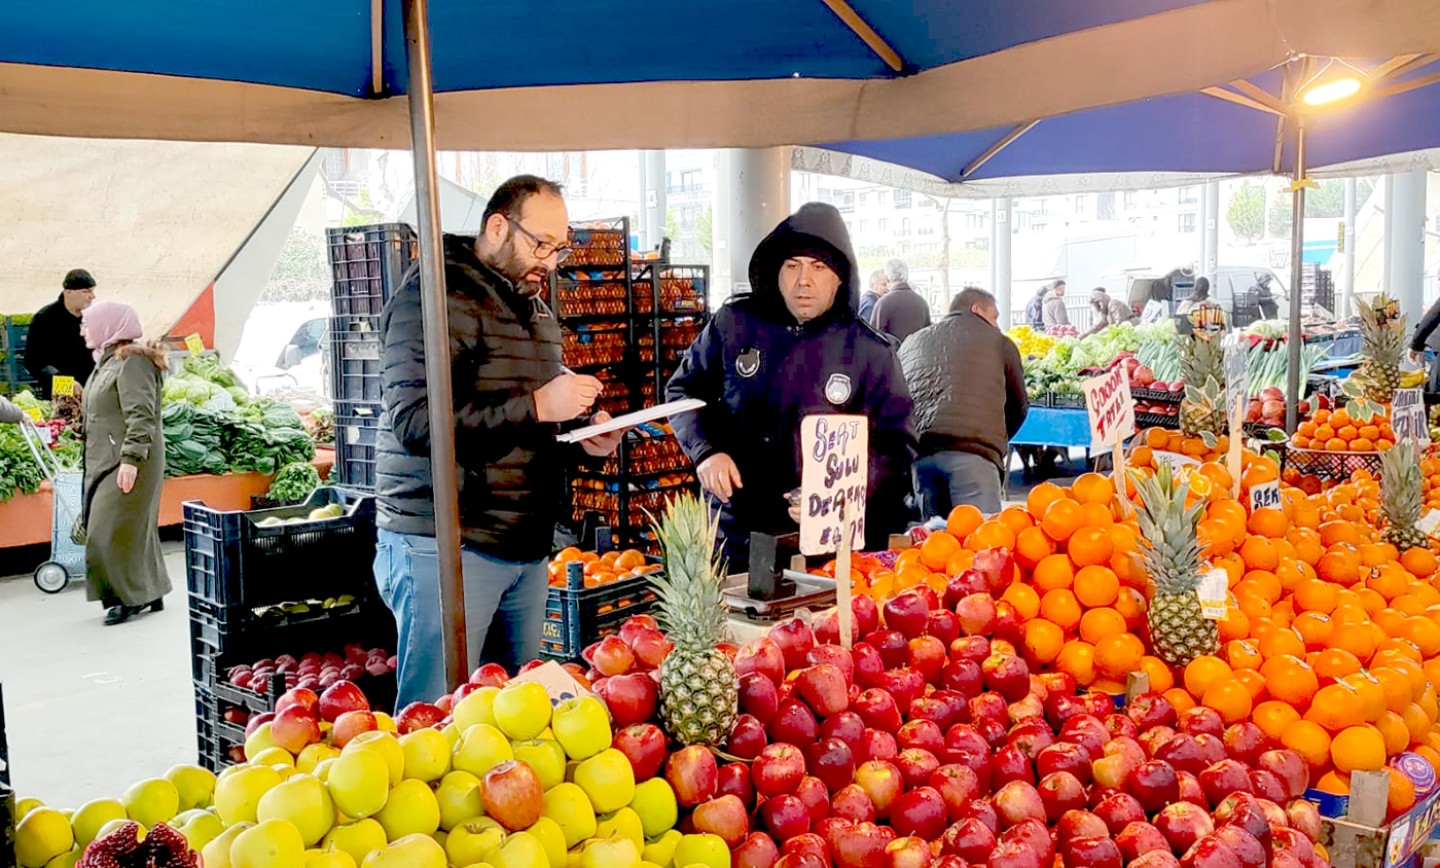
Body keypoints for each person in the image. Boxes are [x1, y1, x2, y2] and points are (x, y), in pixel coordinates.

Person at [375, 175, 624, 706]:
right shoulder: (431, 298)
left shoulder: (534, 307)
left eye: (560, 247)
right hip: (446, 542)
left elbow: (532, 426)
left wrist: (586, 440)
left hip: (525, 545)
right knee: (436, 716)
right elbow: (416, 423)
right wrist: (539, 405)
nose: (551, 261)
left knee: (515, 714)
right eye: (542, 245)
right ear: (497, 227)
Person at [666, 202, 916, 566]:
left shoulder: (870, 350)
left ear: (840, 277)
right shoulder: (733, 324)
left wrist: (838, 495)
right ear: (775, 272)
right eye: (792, 266)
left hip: (826, 544)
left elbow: (897, 447)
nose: (804, 280)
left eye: (818, 267)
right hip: (735, 531)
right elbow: (683, 392)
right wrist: (705, 450)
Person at [76, 301, 170, 625]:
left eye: (87, 323)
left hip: (131, 459)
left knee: (107, 531)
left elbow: (141, 414)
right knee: (131, 529)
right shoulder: (106, 362)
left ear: (107, 325)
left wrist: (130, 459)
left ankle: (127, 597)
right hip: (107, 457)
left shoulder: (133, 363)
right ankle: (150, 591)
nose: (82, 329)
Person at [899, 288, 1028, 517]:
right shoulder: (999, 342)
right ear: (976, 309)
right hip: (974, 456)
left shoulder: (912, 341)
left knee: (933, 543)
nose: (996, 324)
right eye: (994, 316)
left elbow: (897, 398)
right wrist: (994, 442)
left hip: (921, 455)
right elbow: (1018, 406)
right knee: (980, 543)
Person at [23, 268, 98, 399]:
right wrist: (66, 384)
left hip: (93, 392)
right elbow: (34, 362)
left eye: (92, 291)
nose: (92, 296)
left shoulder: (94, 317)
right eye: (86, 291)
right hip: (60, 396)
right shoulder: (45, 318)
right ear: (68, 292)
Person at [871, 258, 932, 344]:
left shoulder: (883, 303)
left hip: (892, 356)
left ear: (887, 277)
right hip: (917, 355)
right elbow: (928, 335)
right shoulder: (922, 303)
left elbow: (874, 338)